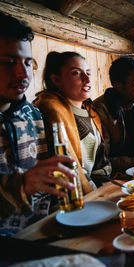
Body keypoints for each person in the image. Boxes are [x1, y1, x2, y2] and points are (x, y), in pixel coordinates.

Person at [0, 12, 76, 235]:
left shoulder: (32, 113)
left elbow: (45, 185)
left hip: (43, 232)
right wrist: (19, 187)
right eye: (9, 62)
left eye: (27, 62)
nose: (23, 73)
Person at [34, 51, 111, 190]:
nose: (87, 79)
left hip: (98, 190)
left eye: (88, 72)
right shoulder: (50, 109)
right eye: (76, 73)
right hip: (69, 197)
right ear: (56, 80)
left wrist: (106, 189)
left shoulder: (91, 112)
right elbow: (66, 164)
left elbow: (100, 163)